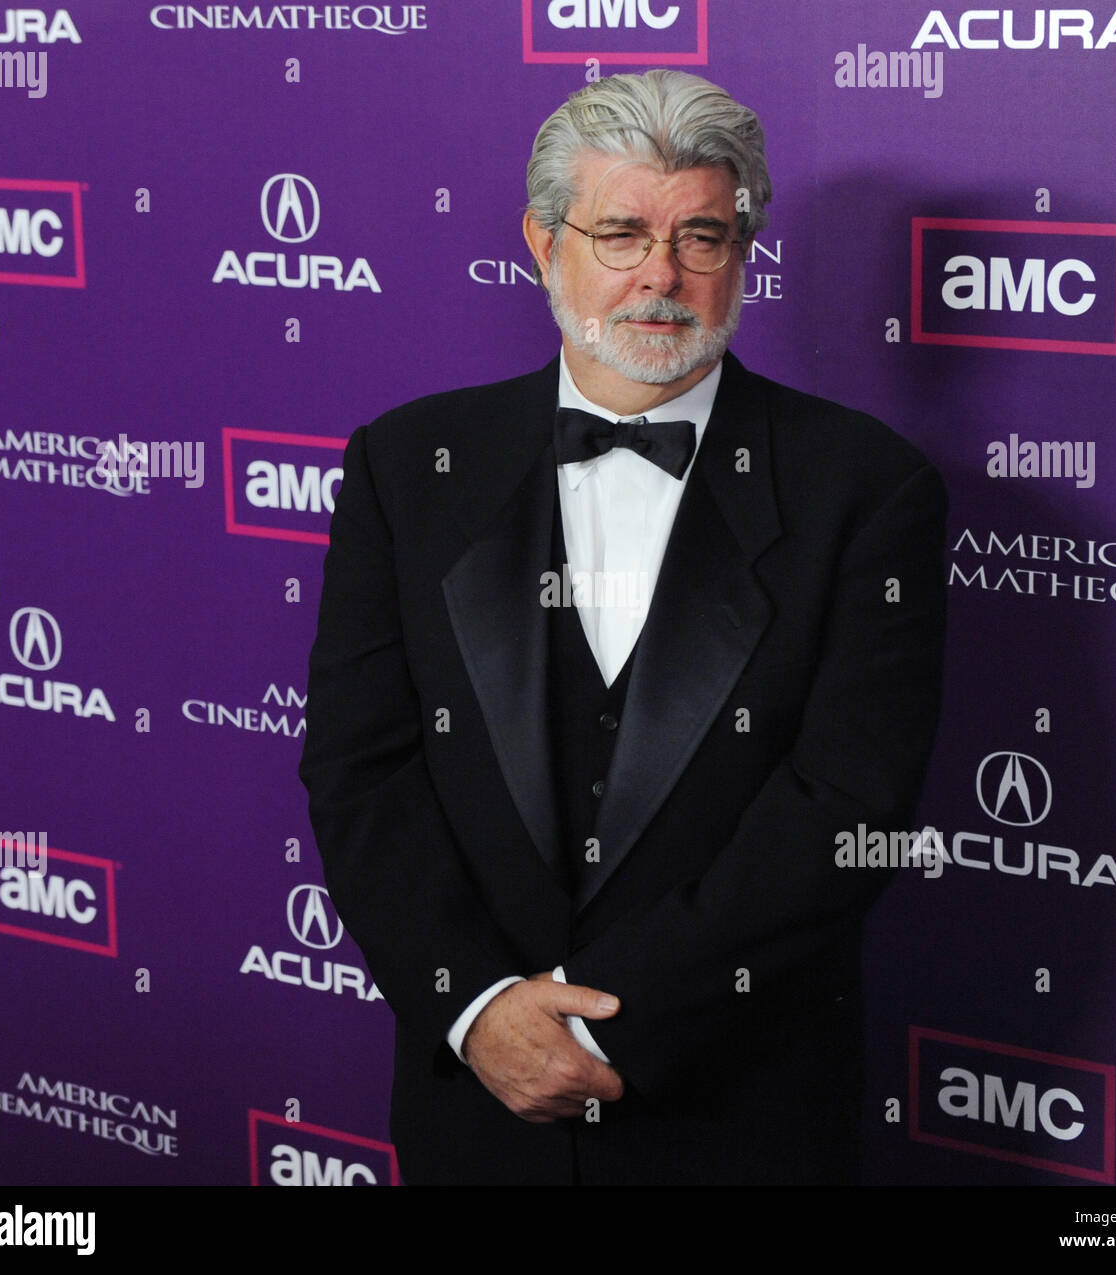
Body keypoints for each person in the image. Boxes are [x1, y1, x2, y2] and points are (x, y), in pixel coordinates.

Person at [299, 69, 947, 1185]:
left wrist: (611, 1026)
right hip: (476, 1111)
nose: (661, 274)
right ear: (543, 243)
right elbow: (361, 771)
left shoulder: (866, 487)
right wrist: (478, 1008)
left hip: (740, 1112)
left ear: (743, 252)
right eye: (621, 233)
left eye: (701, 235)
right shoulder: (407, 466)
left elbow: (847, 806)